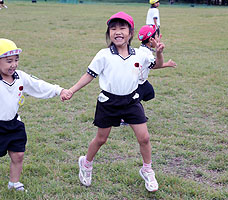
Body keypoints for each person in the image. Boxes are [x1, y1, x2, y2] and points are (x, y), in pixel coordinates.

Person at [64, 12, 163, 192]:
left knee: (145, 138)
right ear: (109, 33)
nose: (118, 32)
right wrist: (71, 90)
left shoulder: (139, 54)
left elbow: (156, 65)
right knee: (101, 139)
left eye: (122, 28)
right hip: (108, 102)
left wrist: (159, 53)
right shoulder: (103, 55)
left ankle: (147, 169)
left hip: (132, 101)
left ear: (131, 33)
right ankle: (86, 163)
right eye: (113, 28)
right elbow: (89, 75)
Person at [0, 38, 70, 191]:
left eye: (16, 60)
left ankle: (14, 183)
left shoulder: (20, 76)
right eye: (9, 61)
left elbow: (38, 85)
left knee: (18, 155)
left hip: (14, 124)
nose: (14, 64)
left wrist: (58, 90)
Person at [137, 25, 177, 102]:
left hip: (140, 82)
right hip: (137, 85)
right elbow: (158, 64)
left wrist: (167, 64)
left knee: (150, 92)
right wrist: (159, 53)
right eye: (157, 36)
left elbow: (152, 65)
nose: (159, 39)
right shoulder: (146, 54)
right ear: (151, 40)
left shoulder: (143, 49)